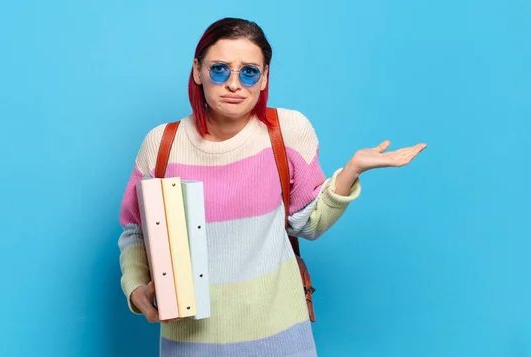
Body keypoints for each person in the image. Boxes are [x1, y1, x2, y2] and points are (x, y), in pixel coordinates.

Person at [117, 17, 426, 357]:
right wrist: (135, 288)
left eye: (248, 72)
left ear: (264, 78)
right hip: (189, 343)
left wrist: (351, 170)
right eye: (220, 69)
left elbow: (307, 224)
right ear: (197, 70)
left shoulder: (288, 131)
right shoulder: (162, 143)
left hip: (280, 340)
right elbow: (136, 229)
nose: (234, 84)